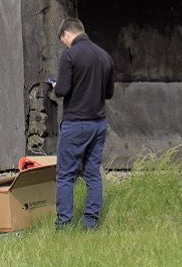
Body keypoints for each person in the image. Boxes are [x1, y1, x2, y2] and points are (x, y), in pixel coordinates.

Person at [49, 17, 114, 230]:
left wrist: (56, 86)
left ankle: (64, 224)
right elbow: (109, 93)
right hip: (98, 124)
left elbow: (62, 90)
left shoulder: (70, 56)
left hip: (75, 123)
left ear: (67, 34)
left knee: (65, 175)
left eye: (62, 40)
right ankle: (90, 223)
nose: (64, 44)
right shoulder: (105, 57)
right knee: (92, 174)